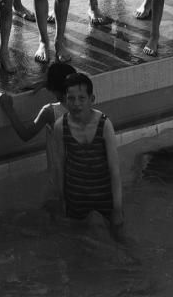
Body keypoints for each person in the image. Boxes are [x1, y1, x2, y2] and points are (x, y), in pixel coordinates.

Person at [45, 73, 124, 237]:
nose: (76, 104)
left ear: (91, 99)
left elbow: (114, 170)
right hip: (76, 198)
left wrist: (117, 208)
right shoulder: (61, 126)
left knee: (118, 240)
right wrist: (62, 200)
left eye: (81, 98)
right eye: (71, 99)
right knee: (79, 245)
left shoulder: (104, 124)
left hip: (104, 196)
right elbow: (59, 166)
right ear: (65, 100)